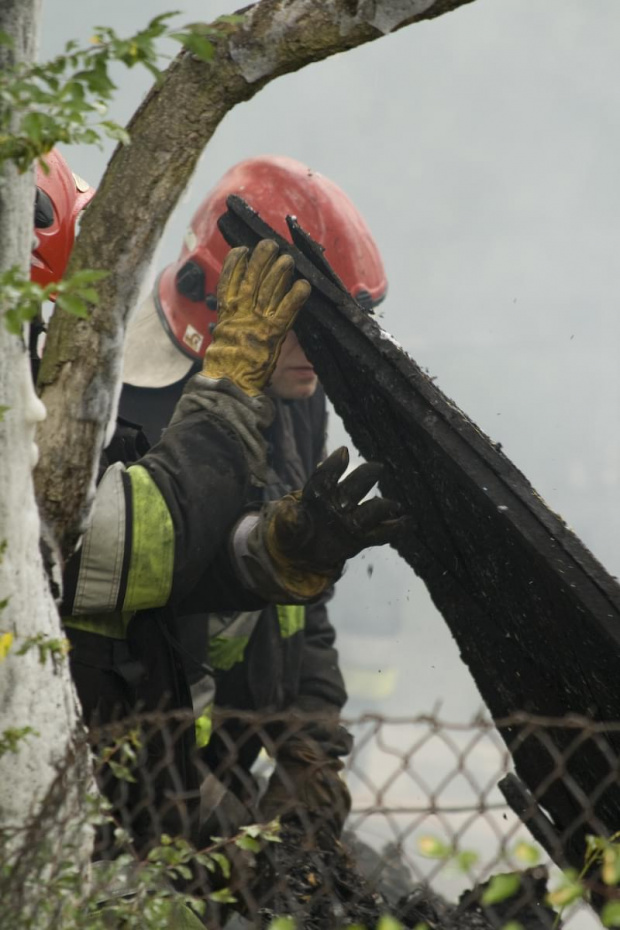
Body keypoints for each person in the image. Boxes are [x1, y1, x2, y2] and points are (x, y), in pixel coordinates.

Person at [31, 150, 402, 856]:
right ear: (226, 303)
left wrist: (310, 753)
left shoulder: (291, 389)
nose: (319, 355)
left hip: (229, 771)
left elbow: (301, 592)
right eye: (301, 324)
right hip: (139, 791)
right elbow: (107, 641)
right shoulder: (109, 403)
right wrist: (207, 818)